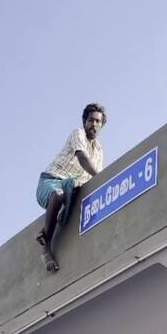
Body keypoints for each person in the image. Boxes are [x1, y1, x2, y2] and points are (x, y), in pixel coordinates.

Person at [36, 103, 106, 272]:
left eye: (98, 122)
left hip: (70, 186)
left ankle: (50, 223)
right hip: (50, 182)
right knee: (58, 195)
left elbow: (91, 177)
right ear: (84, 121)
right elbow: (82, 158)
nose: (94, 124)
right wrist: (101, 178)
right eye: (91, 120)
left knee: (73, 191)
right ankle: (46, 248)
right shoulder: (78, 133)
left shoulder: (99, 150)